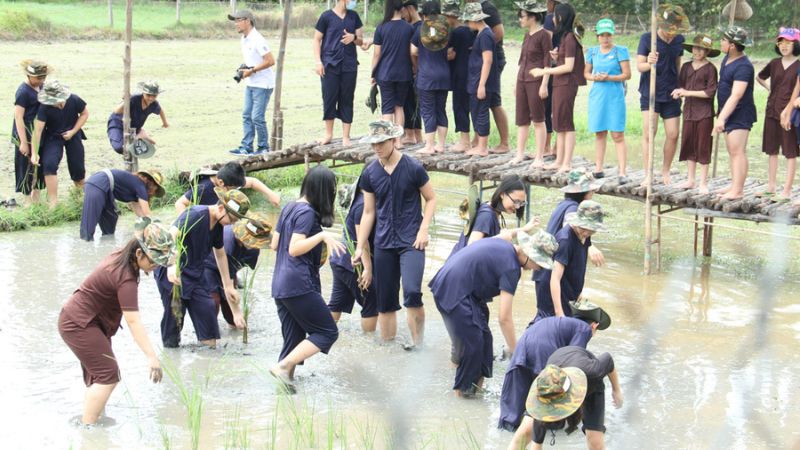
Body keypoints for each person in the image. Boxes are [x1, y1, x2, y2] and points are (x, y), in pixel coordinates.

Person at [59, 218, 175, 425]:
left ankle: (94, 421)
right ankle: (89, 431)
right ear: (139, 254)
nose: (157, 266)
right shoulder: (125, 278)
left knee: (100, 374)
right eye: (154, 260)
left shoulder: (124, 255)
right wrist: (152, 358)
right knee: (108, 375)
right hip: (79, 323)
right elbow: (133, 322)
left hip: (87, 320)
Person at [430, 230, 558, 397]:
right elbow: (504, 318)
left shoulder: (505, 245)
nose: (537, 269)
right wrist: (517, 353)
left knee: (485, 344)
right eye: (539, 265)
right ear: (530, 255)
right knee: (473, 347)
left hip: (457, 287)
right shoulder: (512, 268)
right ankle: (461, 396)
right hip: (454, 292)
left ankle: (474, 393)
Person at [353, 120, 436, 346]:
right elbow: (368, 212)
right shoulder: (370, 172)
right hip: (384, 242)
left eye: (381, 142)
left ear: (393, 140)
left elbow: (431, 198)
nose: (377, 148)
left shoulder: (413, 167)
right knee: (385, 300)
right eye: (373, 144)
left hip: (412, 241)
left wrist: (424, 229)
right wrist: (360, 246)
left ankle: (419, 346)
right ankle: (388, 349)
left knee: (411, 293)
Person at [269, 166, 345, 393]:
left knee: (293, 339)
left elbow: (274, 245)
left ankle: (284, 389)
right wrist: (321, 235)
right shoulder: (308, 213)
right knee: (327, 332)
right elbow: (294, 248)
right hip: (298, 284)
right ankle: (283, 366)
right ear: (324, 190)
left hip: (280, 284)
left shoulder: (289, 207)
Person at [156, 188, 251, 348]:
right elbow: (170, 236)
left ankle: (208, 355)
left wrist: (228, 286)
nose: (233, 224)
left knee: (207, 313)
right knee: (174, 319)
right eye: (232, 219)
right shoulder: (195, 214)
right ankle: (170, 353)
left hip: (196, 274)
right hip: (175, 272)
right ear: (221, 208)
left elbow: (220, 254)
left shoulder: (218, 225)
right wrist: (172, 265)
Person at [498, 300, 611, 431]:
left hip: (523, 345)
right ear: (594, 326)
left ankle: (506, 431)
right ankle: (548, 427)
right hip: (543, 351)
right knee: (550, 395)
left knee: (514, 404)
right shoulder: (584, 328)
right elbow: (572, 365)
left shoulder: (560, 322)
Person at [506, 345, 623, 449]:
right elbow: (536, 446)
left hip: (589, 384)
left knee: (595, 442)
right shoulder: (545, 387)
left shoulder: (593, 372)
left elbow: (608, 359)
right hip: (554, 380)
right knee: (523, 433)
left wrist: (616, 390)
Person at [636, 4, 689, 186]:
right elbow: (639, 66)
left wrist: (681, 86)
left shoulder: (679, 40)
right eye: (669, 30)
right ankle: (648, 173)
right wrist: (649, 62)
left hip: (671, 91)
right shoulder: (647, 39)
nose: (671, 34)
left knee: (673, 134)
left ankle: (665, 171)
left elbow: (678, 64)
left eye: (674, 30)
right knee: (649, 132)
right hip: (650, 92)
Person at [530, 2, 585, 173]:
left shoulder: (569, 37)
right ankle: (559, 160)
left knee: (566, 124)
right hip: (560, 83)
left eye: (554, 15)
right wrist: (557, 55)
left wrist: (545, 70)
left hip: (567, 83)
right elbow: (564, 60)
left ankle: (566, 162)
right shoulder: (564, 37)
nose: (552, 18)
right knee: (559, 123)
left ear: (560, 17)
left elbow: (569, 66)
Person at [534, 200, 607, 321]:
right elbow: (555, 278)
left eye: (591, 229)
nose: (586, 232)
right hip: (552, 296)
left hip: (568, 292)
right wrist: (559, 312)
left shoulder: (584, 235)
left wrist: (578, 292)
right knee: (549, 327)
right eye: (583, 228)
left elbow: (578, 265)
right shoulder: (565, 240)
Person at [204, 211, 271, 328]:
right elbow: (227, 285)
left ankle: (233, 327)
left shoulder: (253, 248)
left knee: (231, 311)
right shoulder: (227, 243)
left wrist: (232, 279)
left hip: (229, 267)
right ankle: (210, 333)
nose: (256, 244)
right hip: (208, 265)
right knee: (213, 302)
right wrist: (237, 312)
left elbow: (239, 265)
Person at [671, 34, 720, 193]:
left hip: (705, 113)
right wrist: (678, 92)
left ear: (707, 52)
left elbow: (710, 93)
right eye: (696, 48)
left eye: (702, 49)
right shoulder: (686, 67)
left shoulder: (711, 69)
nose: (698, 51)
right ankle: (690, 180)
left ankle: (703, 183)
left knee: (703, 146)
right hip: (689, 112)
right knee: (689, 143)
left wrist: (687, 92)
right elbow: (680, 86)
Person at [328, 179, 378, 332]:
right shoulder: (364, 204)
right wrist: (367, 269)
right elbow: (360, 240)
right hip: (352, 261)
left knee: (337, 302)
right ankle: (371, 345)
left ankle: (324, 333)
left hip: (339, 258)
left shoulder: (358, 197)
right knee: (372, 301)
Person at [756, 28, 800, 201]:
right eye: (781, 42)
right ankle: (771, 188)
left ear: (795, 44)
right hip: (771, 111)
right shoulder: (774, 63)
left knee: (790, 152)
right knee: (771, 150)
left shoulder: (798, 66)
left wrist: (789, 110)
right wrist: (770, 89)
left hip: (789, 114)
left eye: (788, 43)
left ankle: (787, 191)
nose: (784, 46)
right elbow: (760, 77)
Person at [585, 18, 631, 180]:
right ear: (597, 36)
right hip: (598, 95)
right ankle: (598, 167)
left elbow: (627, 74)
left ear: (612, 35)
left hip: (614, 95)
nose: (605, 38)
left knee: (617, 134)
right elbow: (586, 73)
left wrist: (609, 77)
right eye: (602, 35)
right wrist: (595, 77)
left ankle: (622, 170)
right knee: (600, 132)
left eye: (608, 35)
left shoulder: (620, 51)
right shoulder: (592, 52)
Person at [313, 0, 364, 146]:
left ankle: (346, 137)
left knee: (347, 99)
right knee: (329, 98)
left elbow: (361, 41)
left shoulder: (354, 16)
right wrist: (318, 62)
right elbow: (316, 40)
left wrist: (353, 38)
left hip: (349, 65)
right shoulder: (326, 17)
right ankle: (328, 134)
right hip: (329, 65)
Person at [714, 26, 756, 201]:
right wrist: (721, 114)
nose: (721, 42)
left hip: (740, 113)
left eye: (723, 40)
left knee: (738, 151)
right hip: (727, 111)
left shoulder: (744, 66)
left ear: (732, 45)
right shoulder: (727, 58)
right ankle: (734, 185)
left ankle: (738, 190)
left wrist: (722, 118)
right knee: (733, 151)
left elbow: (737, 94)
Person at [30, 80, 89, 206]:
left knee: (77, 167)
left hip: (73, 135)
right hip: (53, 136)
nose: (56, 104)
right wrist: (34, 153)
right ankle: (53, 203)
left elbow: (84, 114)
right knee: (49, 164)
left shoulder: (74, 99)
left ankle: (81, 200)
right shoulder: (45, 107)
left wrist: (73, 131)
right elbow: (38, 130)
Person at [228, 9, 276, 156]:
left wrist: (252, 70)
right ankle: (246, 147)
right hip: (251, 82)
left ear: (247, 21)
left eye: (238, 20)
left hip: (263, 84)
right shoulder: (244, 39)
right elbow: (252, 60)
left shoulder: (258, 39)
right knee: (246, 115)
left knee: (257, 117)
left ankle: (263, 148)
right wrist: (244, 68)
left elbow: (270, 61)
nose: (235, 24)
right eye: (234, 21)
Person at [450, 174, 536, 256]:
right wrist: (500, 239)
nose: (517, 207)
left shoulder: (491, 209)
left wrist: (525, 229)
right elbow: (472, 246)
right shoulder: (486, 216)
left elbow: (503, 235)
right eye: (516, 202)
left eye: (521, 203)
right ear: (502, 194)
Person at [511, 0, 551, 167]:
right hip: (522, 79)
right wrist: (516, 83)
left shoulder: (544, 36)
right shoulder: (527, 35)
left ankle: (539, 157)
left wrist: (544, 84)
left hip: (536, 81)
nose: (520, 19)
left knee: (538, 119)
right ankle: (519, 153)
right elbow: (522, 61)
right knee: (521, 119)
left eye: (523, 16)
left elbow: (547, 62)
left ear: (533, 17)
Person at [371, 0, 414, 148]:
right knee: (399, 107)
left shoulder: (381, 28)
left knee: (387, 107)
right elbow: (411, 52)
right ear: (401, 8)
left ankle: (387, 141)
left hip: (385, 73)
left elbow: (377, 54)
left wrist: (373, 73)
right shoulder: (409, 28)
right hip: (404, 73)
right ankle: (398, 141)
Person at [80, 169, 166, 241]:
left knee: (109, 226)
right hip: (98, 183)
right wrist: (158, 230)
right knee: (88, 228)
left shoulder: (135, 186)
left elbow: (141, 214)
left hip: (106, 189)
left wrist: (147, 227)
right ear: (151, 184)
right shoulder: (140, 186)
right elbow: (147, 214)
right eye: (156, 189)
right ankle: (84, 248)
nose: (154, 192)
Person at [411, 0, 451, 155]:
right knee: (441, 109)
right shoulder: (446, 29)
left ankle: (429, 146)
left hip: (427, 75)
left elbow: (413, 51)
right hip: (444, 74)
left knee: (428, 110)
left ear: (424, 14)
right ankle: (440, 145)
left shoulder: (421, 29)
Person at [473, 0, 511, 153]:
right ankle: (478, 139)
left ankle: (504, 143)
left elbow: (500, 32)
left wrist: (483, 48)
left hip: (493, 60)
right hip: (481, 61)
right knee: (482, 100)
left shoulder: (487, 7)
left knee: (493, 100)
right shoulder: (472, 7)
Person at [462, 3, 499, 157]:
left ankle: (482, 147)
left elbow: (488, 60)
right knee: (476, 111)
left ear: (474, 19)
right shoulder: (481, 34)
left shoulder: (485, 35)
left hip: (481, 82)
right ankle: (478, 144)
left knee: (481, 111)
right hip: (475, 80)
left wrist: (482, 84)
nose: (467, 24)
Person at [175, 161, 280, 212]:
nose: (235, 191)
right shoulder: (203, 188)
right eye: (233, 188)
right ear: (221, 183)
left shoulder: (229, 179)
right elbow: (179, 203)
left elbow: (252, 182)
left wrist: (271, 194)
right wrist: (189, 223)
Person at [12, 60, 48, 201]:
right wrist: (23, 142)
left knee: (40, 164)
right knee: (25, 166)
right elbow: (18, 117)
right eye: (38, 78)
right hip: (25, 133)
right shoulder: (23, 92)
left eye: (43, 77)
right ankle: (27, 200)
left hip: (40, 133)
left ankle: (36, 198)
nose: (41, 80)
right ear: (29, 76)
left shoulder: (43, 87)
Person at [442, 0, 474, 152]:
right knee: (468, 106)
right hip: (471, 73)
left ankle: (464, 140)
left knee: (459, 106)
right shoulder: (470, 30)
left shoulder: (456, 33)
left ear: (451, 16)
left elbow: (451, 54)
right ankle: (473, 139)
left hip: (459, 73)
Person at [107, 81, 169, 154]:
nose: (151, 98)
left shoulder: (154, 104)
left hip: (134, 128)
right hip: (118, 124)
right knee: (119, 148)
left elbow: (160, 111)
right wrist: (126, 101)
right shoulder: (134, 99)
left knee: (131, 149)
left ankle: (140, 135)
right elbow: (116, 111)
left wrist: (165, 123)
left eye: (154, 96)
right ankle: (141, 136)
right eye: (148, 95)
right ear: (143, 93)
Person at [402, 0, 424, 145]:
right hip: (415, 70)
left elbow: (413, 52)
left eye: (403, 11)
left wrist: (415, 68)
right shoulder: (418, 26)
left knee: (411, 102)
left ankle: (412, 135)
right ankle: (415, 135)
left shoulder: (418, 27)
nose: (402, 15)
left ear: (410, 9)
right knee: (413, 103)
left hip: (415, 71)